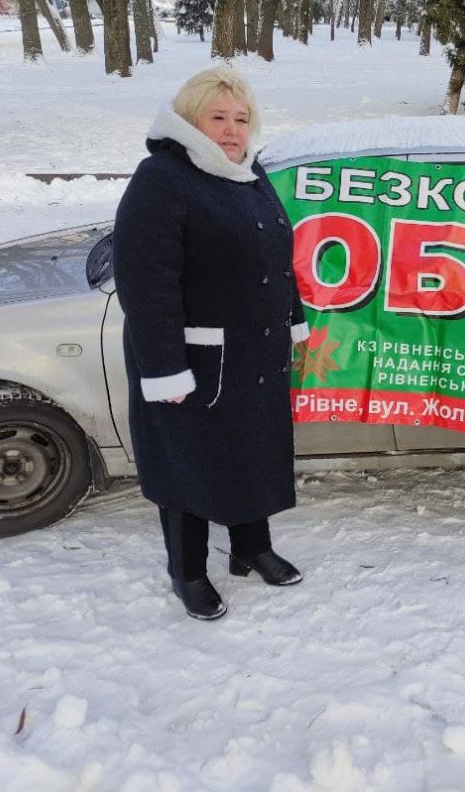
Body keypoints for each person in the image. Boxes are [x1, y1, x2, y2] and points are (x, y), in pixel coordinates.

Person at [113, 67, 309, 621]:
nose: (232, 130)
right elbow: (146, 286)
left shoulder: (248, 172)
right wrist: (165, 369)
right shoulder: (162, 179)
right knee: (187, 467)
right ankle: (188, 573)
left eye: (241, 119)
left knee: (251, 452)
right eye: (217, 117)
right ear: (188, 121)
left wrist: (293, 322)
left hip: (254, 351)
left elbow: (277, 256)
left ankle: (251, 548)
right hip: (194, 360)